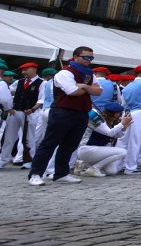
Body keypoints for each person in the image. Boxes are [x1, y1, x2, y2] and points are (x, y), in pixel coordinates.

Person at [28, 48, 103, 186]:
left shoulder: (90, 73)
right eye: (86, 57)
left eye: (91, 58)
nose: (89, 61)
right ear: (75, 57)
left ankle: (61, 173)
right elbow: (72, 91)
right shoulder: (65, 73)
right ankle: (36, 174)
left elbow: (99, 91)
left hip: (81, 113)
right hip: (63, 112)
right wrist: (88, 88)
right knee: (49, 143)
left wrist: (85, 87)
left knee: (70, 145)